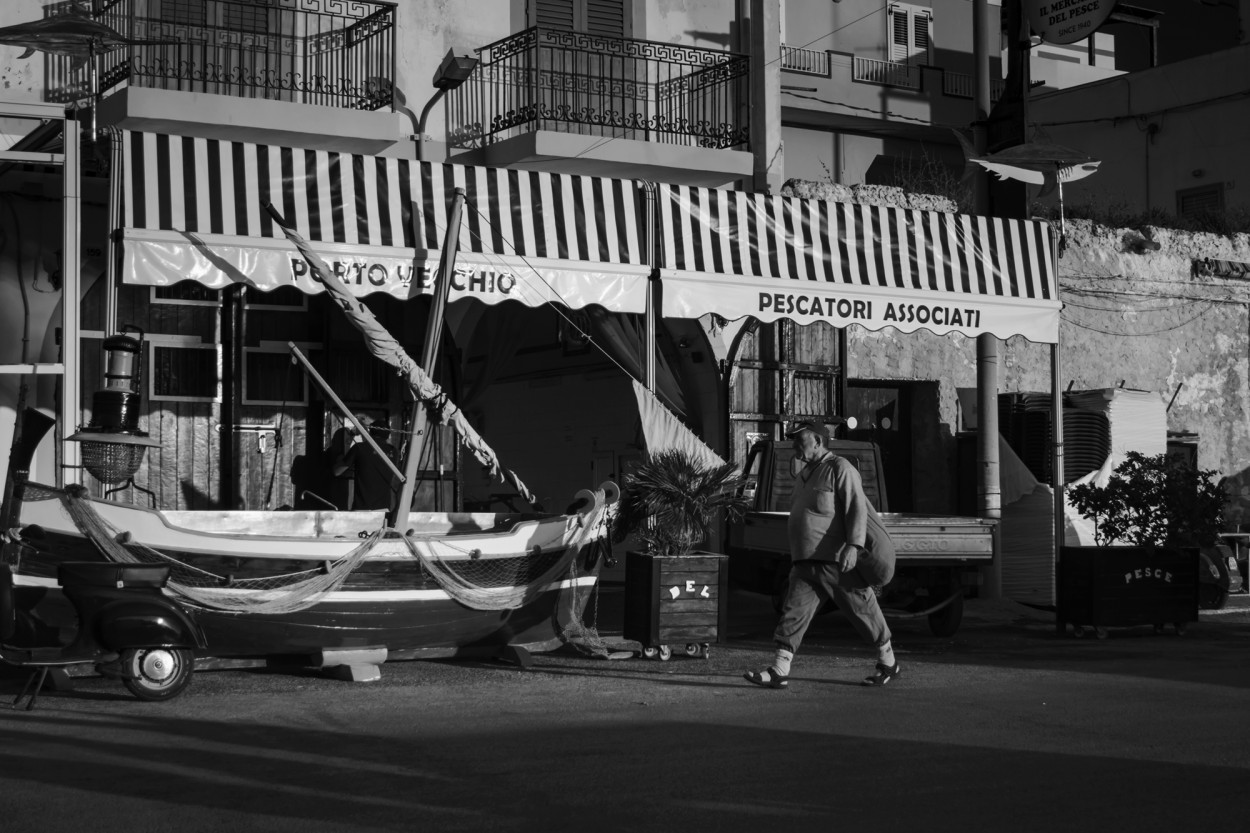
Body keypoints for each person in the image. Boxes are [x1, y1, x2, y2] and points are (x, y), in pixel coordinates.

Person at [744, 420, 900, 690]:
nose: (794, 443)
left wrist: (854, 546)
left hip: (835, 560)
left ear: (817, 441)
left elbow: (856, 510)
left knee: (861, 610)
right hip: (806, 562)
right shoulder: (805, 474)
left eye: (799, 438)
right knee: (792, 612)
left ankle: (888, 662)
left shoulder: (840, 468)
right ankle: (779, 670)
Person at [332, 414, 399, 511]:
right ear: (388, 435)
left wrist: (340, 457)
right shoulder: (394, 452)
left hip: (362, 509)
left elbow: (337, 472)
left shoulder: (359, 448)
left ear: (370, 433)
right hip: (383, 509)